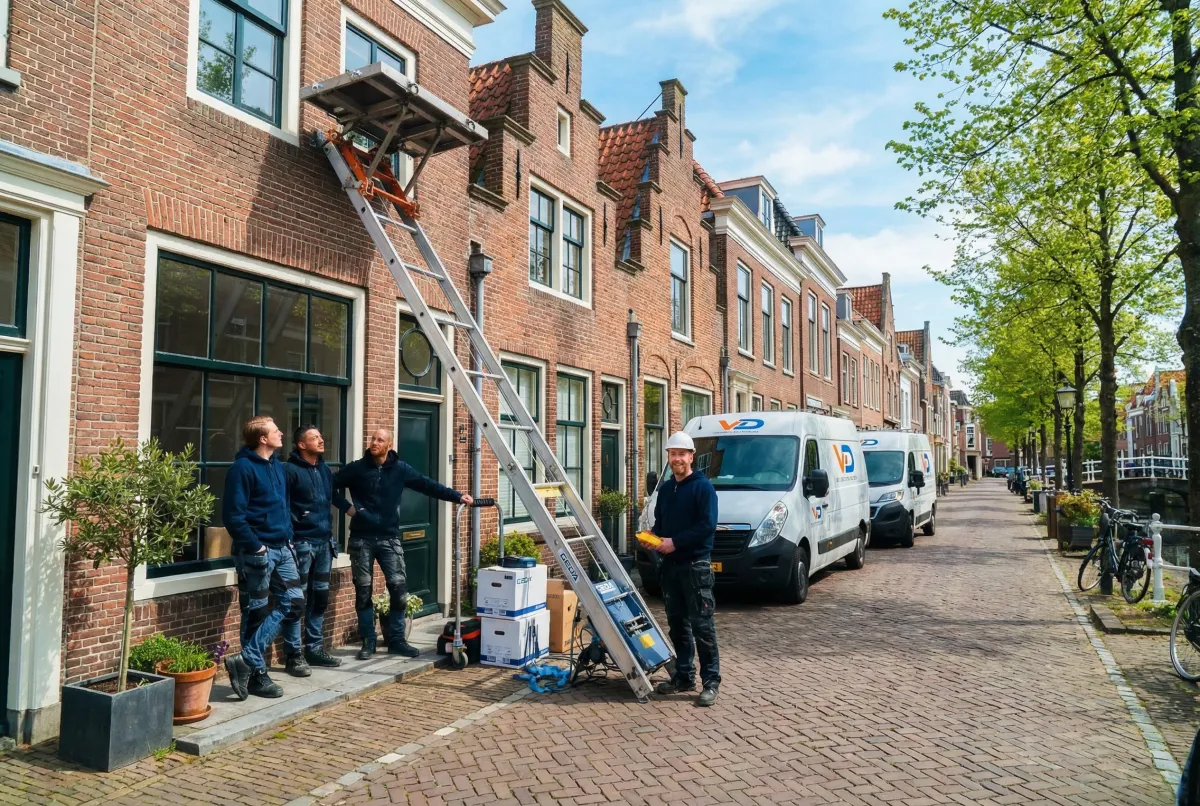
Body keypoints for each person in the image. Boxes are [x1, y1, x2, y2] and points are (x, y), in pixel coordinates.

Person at [335, 428, 472, 660]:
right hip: (361, 539)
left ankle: (397, 640)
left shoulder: (400, 469)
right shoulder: (357, 468)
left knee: (398, 590)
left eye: (380, 440)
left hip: (389, 538)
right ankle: (368, 641)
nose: (374, 443)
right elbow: (327, 485)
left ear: (389, 445)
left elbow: (427, 485)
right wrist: (347, 507)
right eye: (372, 439)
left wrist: (457, 496)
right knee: (363, 592)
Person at [222, 416, 305, 700]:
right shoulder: (242, 469)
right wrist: (256, 546)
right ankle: (257, 675)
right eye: (275, 431)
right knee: (255, 612)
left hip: (284, 547)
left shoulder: (277, 467)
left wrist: (289, 535)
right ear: (262, 438)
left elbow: (284, 505)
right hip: (258, 552)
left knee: (294, 602)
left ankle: (245, 660)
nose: (281, 433)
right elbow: (233, 516)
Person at [649, 431, 721, 707]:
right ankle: (683, 676)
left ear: (691, 457)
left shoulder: (703, 488)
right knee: (677, 625)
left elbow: (707, 526)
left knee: (702, 626)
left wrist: (674, 543)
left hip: (695, 566)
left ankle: (711, 682)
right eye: (672, 454)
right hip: (670, 567)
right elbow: (662, 524)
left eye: (681, 454)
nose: (677, 458)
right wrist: (653, 538)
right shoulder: (667, 489)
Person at [283, 425, 351, 673]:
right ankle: (293, 655)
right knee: (296, 601)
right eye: (315, 437)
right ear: (302, 444)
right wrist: (289, 539)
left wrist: (352, 511)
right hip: (301, 544)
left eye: (321, 436)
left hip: (324, 543)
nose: (322, 440)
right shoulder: (289, 471)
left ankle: (314, 649)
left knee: (319, 598)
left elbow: (332, 495)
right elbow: (283, 506)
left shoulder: (323, 468)